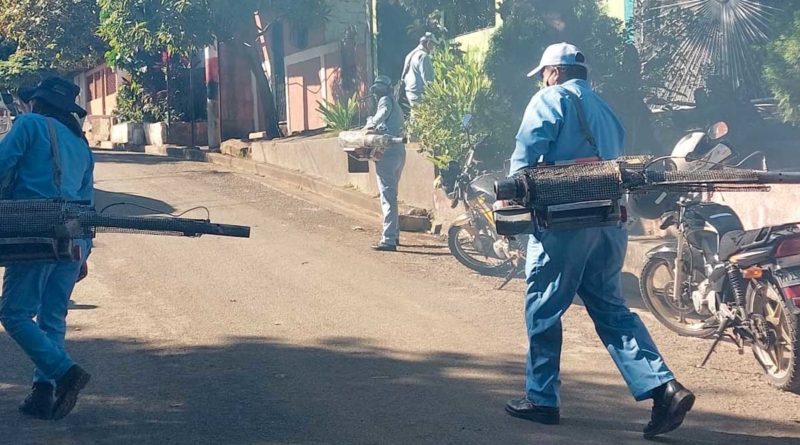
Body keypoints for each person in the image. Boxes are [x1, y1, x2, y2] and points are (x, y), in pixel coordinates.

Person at [503, 43, 695, 439]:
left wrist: (508, 205)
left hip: (562, 225)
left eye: (543, 74)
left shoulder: (549, 99)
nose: (542, 80)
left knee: (543, 310)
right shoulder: (607, 109)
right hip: (609, 223)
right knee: (611, 310)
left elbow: (524, 161)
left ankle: (541, 399)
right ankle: (664, 388)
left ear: (554, 73)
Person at [0, 77, 94, 420]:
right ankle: (42, 391)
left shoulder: (29, 125)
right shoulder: (81, 144)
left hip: (33, 231)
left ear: (38, 103)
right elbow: (88, 201)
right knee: (53, 316)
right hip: (72, 236)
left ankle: (64, 372)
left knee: (13, 313)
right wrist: (84, 249)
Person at [365, 75, 405, 252]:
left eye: (379, 89)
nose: (376, 93)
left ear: (385, 90)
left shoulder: (385, 101)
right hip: (399, 153)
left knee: (387, 197)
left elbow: (381, 115)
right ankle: (394, 235)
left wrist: (370, 124)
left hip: (387, 153)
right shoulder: (397, 106)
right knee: (392, 195)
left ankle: (388, 239)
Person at [400, 32, 435, 110]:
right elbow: (428, 78)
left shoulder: (411, 54)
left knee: (415, 115)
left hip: (410, 90)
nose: (433, 47)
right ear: (428, 43)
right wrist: (434, 93)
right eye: (433, 44)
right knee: (420, 116)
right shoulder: (423, 56)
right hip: (419, 92)